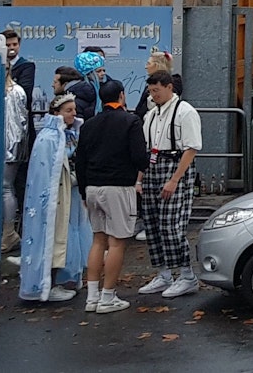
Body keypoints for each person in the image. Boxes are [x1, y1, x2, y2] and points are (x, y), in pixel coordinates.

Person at [73, 80, 147, 314]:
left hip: (92, 186)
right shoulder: (130, 121)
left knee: (98, 240)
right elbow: (139, 157)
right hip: (118, 187)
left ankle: (92, 296)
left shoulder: (89, 124)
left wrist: (83, 190)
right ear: (122, 96)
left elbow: (80, 160)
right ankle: (108, 296)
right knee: (117, 242)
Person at [18, 94, 92, 303]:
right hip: (57, 196)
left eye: (74, 110)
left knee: (70, 233)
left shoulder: (71, 134)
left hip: (71, 193)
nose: (73, 114)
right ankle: (49, 284)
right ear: (56, 113)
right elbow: (44, 174)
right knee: (53, 235)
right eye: (69, 110)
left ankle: (67, 278)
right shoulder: (48, 138)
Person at [136, 72, 201, 299]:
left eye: (157, 91)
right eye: (151, 91)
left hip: (175, 166)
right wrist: (139, 179)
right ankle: (163, 274)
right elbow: (145, 150)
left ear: (169, 87)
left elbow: (191, 148)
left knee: (171, 225)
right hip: (153, 167)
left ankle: (187, 275)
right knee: (152, 224)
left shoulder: (185, 112)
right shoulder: (151, 115)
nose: (154, 95)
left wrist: (175, 180)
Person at [3, 28, 38, 224]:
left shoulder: (27, 66)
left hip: (20, 133)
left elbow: (26, 93)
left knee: (18, 180)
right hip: (3, 135)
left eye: (14, 44)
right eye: (8, 45)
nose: (11, 49)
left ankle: (21, 222)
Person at [1, 64, 30, 252]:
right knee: (5, 188)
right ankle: (7, 232)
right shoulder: (17, 91)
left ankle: (8, 232)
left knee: (5, 188)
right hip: (11, 145)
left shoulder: (14, 91)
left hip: (8, 146)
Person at [66, 52, 124, 120]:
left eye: (104, 70)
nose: (103, 73)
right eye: (98, 71)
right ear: (88, 74)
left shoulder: (107, 90)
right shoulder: (79, 94)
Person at [133, 51, 185, 116]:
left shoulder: (173, 84)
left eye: (148, 63)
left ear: (157, 65)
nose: (146, 67)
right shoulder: (149, 85)